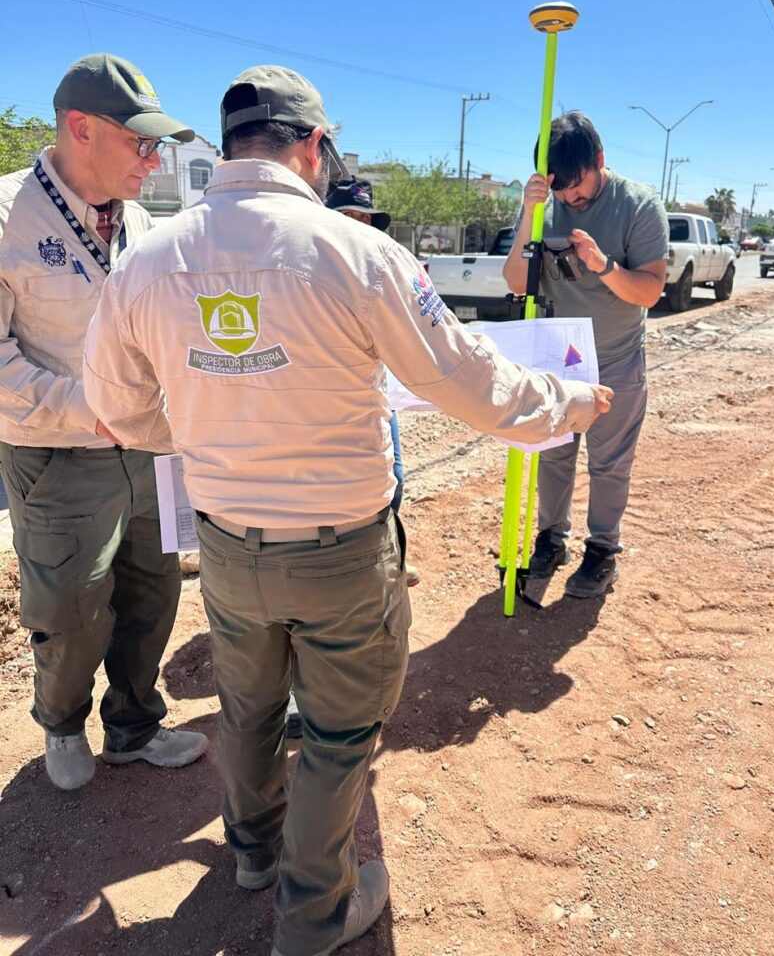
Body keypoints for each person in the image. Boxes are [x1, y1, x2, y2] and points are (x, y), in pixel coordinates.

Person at [82, 65, 612, 956]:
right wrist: (568, 403)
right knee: (337, 734)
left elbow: (115, 409)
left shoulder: (146, 260)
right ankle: (314, 916)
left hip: (227, 547)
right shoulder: (358, 254)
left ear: (227, 145)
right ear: (314, 147)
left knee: (249, 706)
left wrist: (210, 427)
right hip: (340, 552)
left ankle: (254, 852)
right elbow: (469, 382)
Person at [0, 53, 208, 791]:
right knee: (71, 605)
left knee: (153, 590)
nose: (154, 160)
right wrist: (91, 411)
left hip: (148, 448)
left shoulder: (143, 222)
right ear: (80, 128)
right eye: (141, 142)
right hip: (59, 454)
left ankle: (135, 726)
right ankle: (61, 723)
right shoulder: (8, 217)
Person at [503, 111, 669, 598]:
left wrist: (603, 265)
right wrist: (529, 216)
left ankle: (602, 550)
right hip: (558, 362)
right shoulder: (544, 204)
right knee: (553, 456)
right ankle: (551, 539)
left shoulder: (639, 205)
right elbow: (515, 280)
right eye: (561, 191)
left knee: (609, 463)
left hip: (616, 359)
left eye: (577, 188)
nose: (569, 200)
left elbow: (650, 291)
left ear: (600, 159)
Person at [326, 177, 420, 586]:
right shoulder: (313, 272)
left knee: (392, 480)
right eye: (348, 215)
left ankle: (389, 561)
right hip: (332, 400)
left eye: (365, 218)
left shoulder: (378, 270)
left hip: (380, 392)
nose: (358, 224)